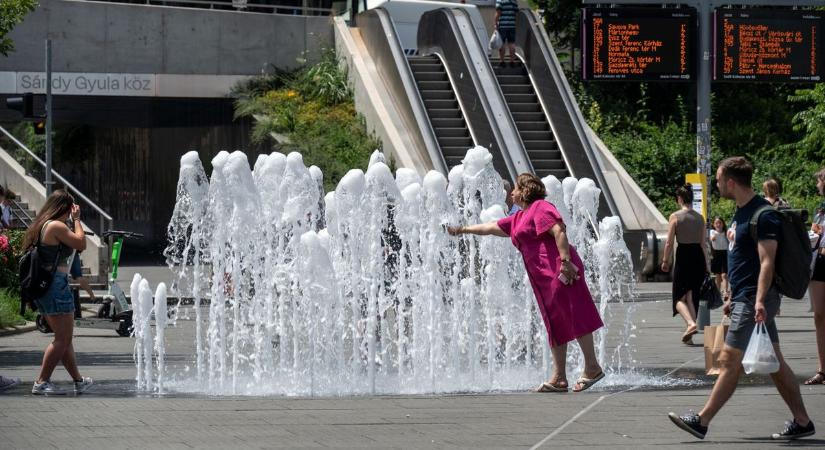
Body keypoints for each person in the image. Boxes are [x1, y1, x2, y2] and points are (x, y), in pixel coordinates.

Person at [669, 156, 814, 440]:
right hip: (744, 296)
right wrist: (731, 294)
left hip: (754, 299)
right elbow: (742, 260)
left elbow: (767, 262)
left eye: (720, 179)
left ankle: (702, 420)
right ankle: (803, 421)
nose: (718, 184)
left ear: (731, 182)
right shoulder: (741, 212)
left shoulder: (764, 214)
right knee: (775, 363)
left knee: (729, 359)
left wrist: (758, 300)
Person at [448, 173, 605, 393]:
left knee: (573, 314)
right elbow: (491, 227)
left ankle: (592, 367)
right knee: (555, 322)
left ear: (524, 191)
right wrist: (462, 230)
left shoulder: (540, 207)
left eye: (514, 189)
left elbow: (558, 230)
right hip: (543, 278)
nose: (510, 193)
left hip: (559, 270)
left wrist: (565, 262)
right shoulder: (520, 217)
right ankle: (559, 377)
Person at [23, 190, 94, 395]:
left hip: (50, 286)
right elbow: (81, 243)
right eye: (70, 208)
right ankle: (41, 381)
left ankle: (78, 381)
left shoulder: (44, 224)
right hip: (55, 286)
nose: (72, 212)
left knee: (65, 339)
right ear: (64, 208)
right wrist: (78, 219)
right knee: (62, 339)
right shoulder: (55, 226)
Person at [660, 184, 708, 344]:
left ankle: (691, 323)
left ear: (679, 199)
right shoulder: (700, 218)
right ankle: (690, 337)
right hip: (698, 259)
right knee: (691, 296)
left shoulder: (675, 216)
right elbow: (703, 244)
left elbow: (669, 242)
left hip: (684, 257)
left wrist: (665, 260)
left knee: (678, 298)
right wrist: (707, 265)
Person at [805, 168, 825, 386]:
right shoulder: (820, 209)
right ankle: (822, 370)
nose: (817, 185)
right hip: (819, 259)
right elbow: (816, 232)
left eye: (819, 181)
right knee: (819, 315)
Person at [709, 216, 730, 299]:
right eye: (716, 223)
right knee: (717, 275)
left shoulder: (726, 232)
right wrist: (713, 237)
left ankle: (725, 292)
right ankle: (717, 292)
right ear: (714, 225)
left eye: (720, 223)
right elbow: (712, 238)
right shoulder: (712, 232)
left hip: (725, 253)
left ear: (723, 224)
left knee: (724, 274)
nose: (718, 225)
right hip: (716, 254)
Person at [494, 0, 518, 67]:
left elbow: (498, 12)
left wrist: (495, 23)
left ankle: (502, 61)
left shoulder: (500, 0)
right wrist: (515, 24)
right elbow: (516, 14)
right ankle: (512, 62)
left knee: (502, 43)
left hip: (503, 26)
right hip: (512, 26)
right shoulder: (514, 1)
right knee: (512, 43)